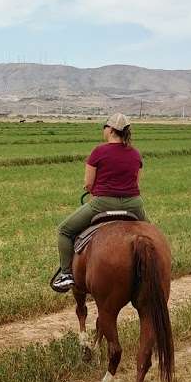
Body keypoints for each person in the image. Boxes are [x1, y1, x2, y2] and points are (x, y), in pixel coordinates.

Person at [52, 112, 148, 293]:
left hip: (103, 204)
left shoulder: (99, 151)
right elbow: (136, 183)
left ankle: (66, 275)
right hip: (133, 204)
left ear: (111, 130)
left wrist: (93, 189)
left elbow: (88, 184)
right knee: (151, 236)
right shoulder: (135, 154)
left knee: (64, 231)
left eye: (105, 127)